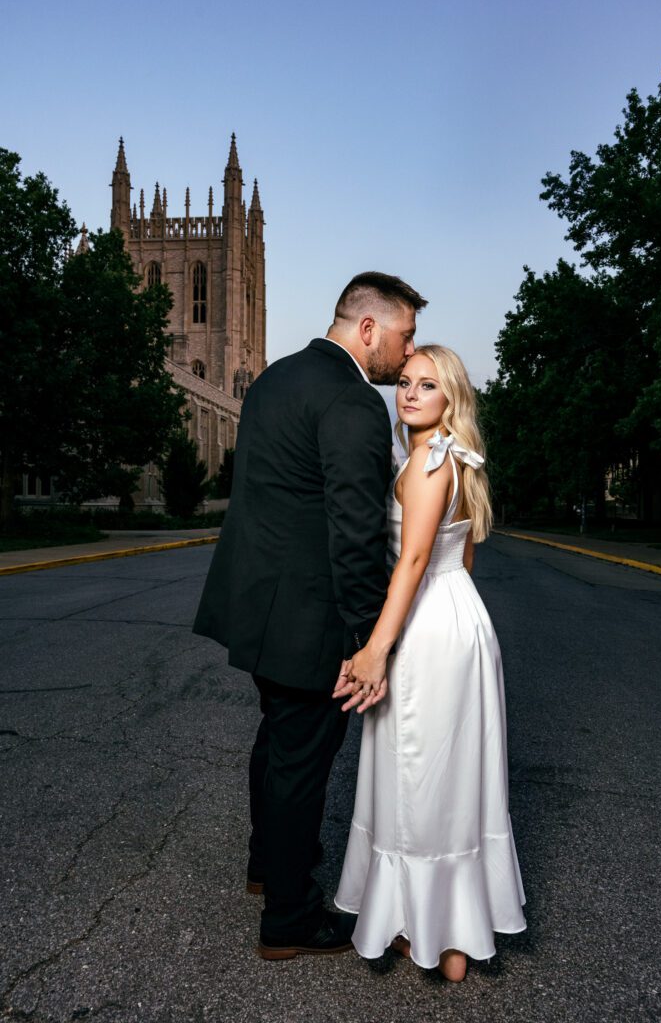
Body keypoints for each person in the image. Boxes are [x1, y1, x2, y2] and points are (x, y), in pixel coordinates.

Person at [192, 271, 428, 959]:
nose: (405, 351)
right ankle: (289, 920)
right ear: (366, 328)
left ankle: (267, 868)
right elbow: (353, 533)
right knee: (301, 761)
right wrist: (367, 642)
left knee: (276, 744)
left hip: (258, 606)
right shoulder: (352, 402)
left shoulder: (274, 380)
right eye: (403, 335)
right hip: (309, 617)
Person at [333, 344, 526, 981]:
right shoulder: (459, 459)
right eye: (406, 383)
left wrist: (374, 650)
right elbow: (462, 560)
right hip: (465, 622)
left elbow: (411, 565)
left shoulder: (425, 461)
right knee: (457, 778)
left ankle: (424, 927)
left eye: (427, 386)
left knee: (418, 776)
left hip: (427, 627)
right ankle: (455, 938)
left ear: (451, 400)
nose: (409, 394)